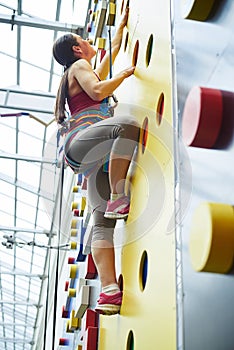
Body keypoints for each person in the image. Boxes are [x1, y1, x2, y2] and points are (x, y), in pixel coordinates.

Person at [52, 7, 140, 315]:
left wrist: (121, 28)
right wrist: (123, 75)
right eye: (84, 39)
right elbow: (99, 88)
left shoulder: (81, 68)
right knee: (127, 125)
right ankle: (118, 195)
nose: (89, 41)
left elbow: (109, 55)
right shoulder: (78, 66)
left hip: (89, 157)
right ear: (77, 49)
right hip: (83, 142)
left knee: (102, 223)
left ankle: (108, 294)